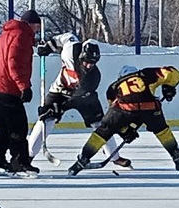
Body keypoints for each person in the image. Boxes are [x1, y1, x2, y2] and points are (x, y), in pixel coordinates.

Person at [28, 34, 132, 169]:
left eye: (92, 63)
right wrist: (49, 46)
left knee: (101, 124)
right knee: (46, 120)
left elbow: (76, 97)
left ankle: (114, 156)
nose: (89, 66)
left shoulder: (94, 77)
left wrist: (58, 108)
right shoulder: (70, 50)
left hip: (84, 98)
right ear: (81, 55)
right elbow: (65, 37)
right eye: (86, 61)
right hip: (59, 91)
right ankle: (26, 157)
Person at [68, 65, 179, 177]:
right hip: (149, 107)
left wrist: (124, 131)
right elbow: (173, 72)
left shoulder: (113, 87)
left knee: (102, 132)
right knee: (162, 131)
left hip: (124, 109)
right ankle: (176, 155)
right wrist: (168, 87)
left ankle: (83, 158)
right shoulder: (145, 74)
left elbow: (114, 116)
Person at [0, 9, 42, 176]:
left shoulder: (9, 33)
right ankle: (19, 162)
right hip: (6, 88)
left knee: (5, 126)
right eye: (37, 27)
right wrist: (24, 86)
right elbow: (14, 63)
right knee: (18, 126)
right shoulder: (22, 35)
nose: (37, 31)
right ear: (31, 24)